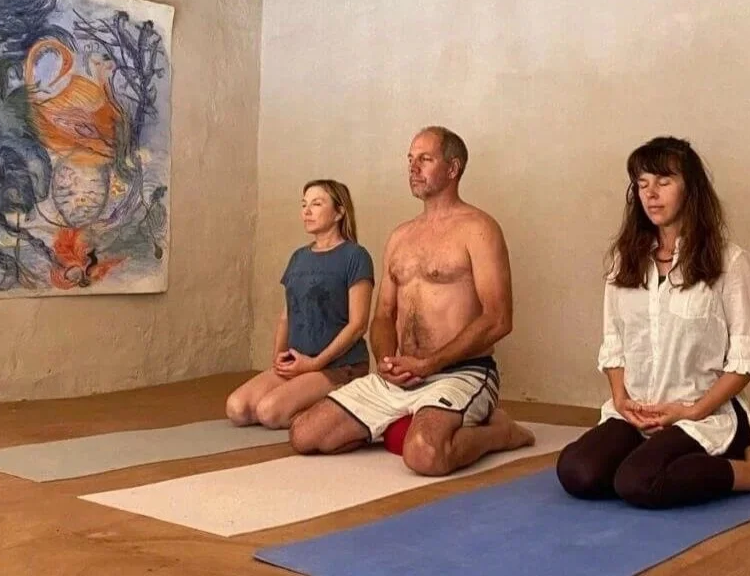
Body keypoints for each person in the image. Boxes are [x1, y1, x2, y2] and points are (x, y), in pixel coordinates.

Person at [556, 136, 750, 508]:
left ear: (690, 189)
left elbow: (746, 360)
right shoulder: (625, 261)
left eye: (664, 182)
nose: (651, 194)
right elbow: (614, 343)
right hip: (638, 411)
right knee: (577, 472)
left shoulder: (730, 264)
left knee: (640, 482)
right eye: (642, 184)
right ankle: (654, 458)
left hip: (700, 413)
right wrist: (621, 399)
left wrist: (691, 410)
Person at [289, 126, 535, 475]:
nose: (413, 168)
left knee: (424, 456)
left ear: (453, 168)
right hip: (403, 377)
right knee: (304, 435)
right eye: (410, 160)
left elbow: (498, 319)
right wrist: (387, 361)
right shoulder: (400, 236)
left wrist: (430, 364)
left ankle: (501, 432)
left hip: (461, 373)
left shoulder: (479, 229)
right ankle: (403, 420)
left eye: (425, 159)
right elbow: (382, 316)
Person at [225, 180, 374, 429]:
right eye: (304, 205)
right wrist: (278, 361)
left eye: (317, 204)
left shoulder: (356, 256)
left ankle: (342, 405)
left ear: (339, 212)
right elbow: (287, 315)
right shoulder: (298, 257)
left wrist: (315, 364)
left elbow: (358, 325)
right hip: (299, 363)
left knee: (269, 412)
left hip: (339, 366)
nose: (307, 211)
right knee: (237, 408)